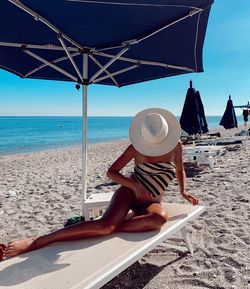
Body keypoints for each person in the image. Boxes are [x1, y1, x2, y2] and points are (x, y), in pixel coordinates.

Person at [2, 108, 198, 259]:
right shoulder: (136, 147)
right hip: (129, 193)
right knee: (105, 227)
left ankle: (105, 225)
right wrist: (136, 186)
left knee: (158, 220)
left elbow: (180, 170)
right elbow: (111, 172)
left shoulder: (176, 146)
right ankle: (37, 241)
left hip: (150, 202)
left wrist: (183, 191)